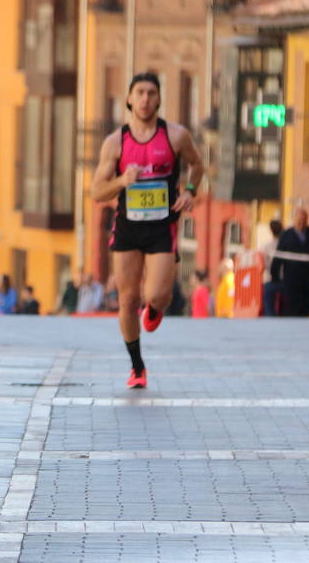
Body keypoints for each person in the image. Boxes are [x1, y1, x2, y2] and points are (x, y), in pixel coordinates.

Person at [91, 72, 204, 389]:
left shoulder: (176, 136)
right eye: (139, 93)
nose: (145, 99)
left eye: (151, 93)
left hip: (161, 226)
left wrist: (191, 191)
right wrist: (121, 181)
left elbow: (198, 164)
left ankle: (154, 308)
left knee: (157, 295)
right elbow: (97, 192)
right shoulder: (115, 143)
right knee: (127, 300)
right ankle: (137, 367)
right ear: (128, 99)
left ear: (159, 99)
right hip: (127, 227)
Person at [271, 206, 309, 317]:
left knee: (308, 305)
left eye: (303, 221)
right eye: (299, 221)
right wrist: (275, 277)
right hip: (292, 281)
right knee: (293, 309)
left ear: (307, 220)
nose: (301, 223)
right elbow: (278, 257)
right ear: (294, 220)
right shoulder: (286, 235)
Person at [260, 219, 284, 316]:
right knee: (284, 305)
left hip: (270, 280)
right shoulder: (285, 245)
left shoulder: (266, 246)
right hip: (284, 280)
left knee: (268, 305)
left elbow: (264, 264)